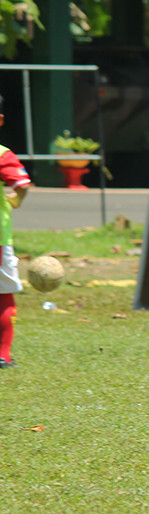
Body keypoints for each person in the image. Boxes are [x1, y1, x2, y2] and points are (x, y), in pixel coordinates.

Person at [0, 95, 32, 369]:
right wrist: (17, 200)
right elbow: (21, 184)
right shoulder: (2, 153)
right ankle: (3, 355)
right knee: (3, 294)